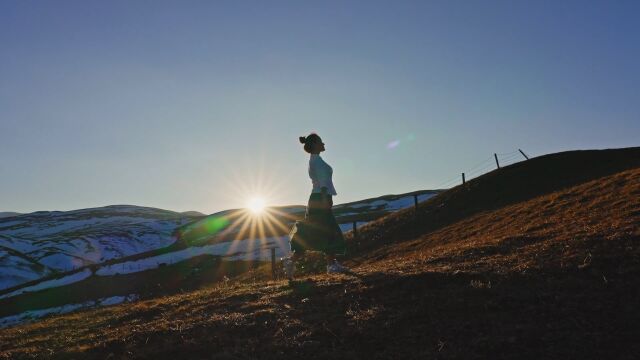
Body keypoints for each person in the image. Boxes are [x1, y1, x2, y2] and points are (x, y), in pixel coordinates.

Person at [284, 133, 350, 280]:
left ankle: (293, 261)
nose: (324, 144)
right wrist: (326, 199)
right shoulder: (317, 162)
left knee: (319, 231)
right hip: (320, 198)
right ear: (315, 145)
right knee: (328, 230)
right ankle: (330, 265)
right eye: (321, 142)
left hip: (317, 198)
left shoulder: (314, 160)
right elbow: (323, 182)